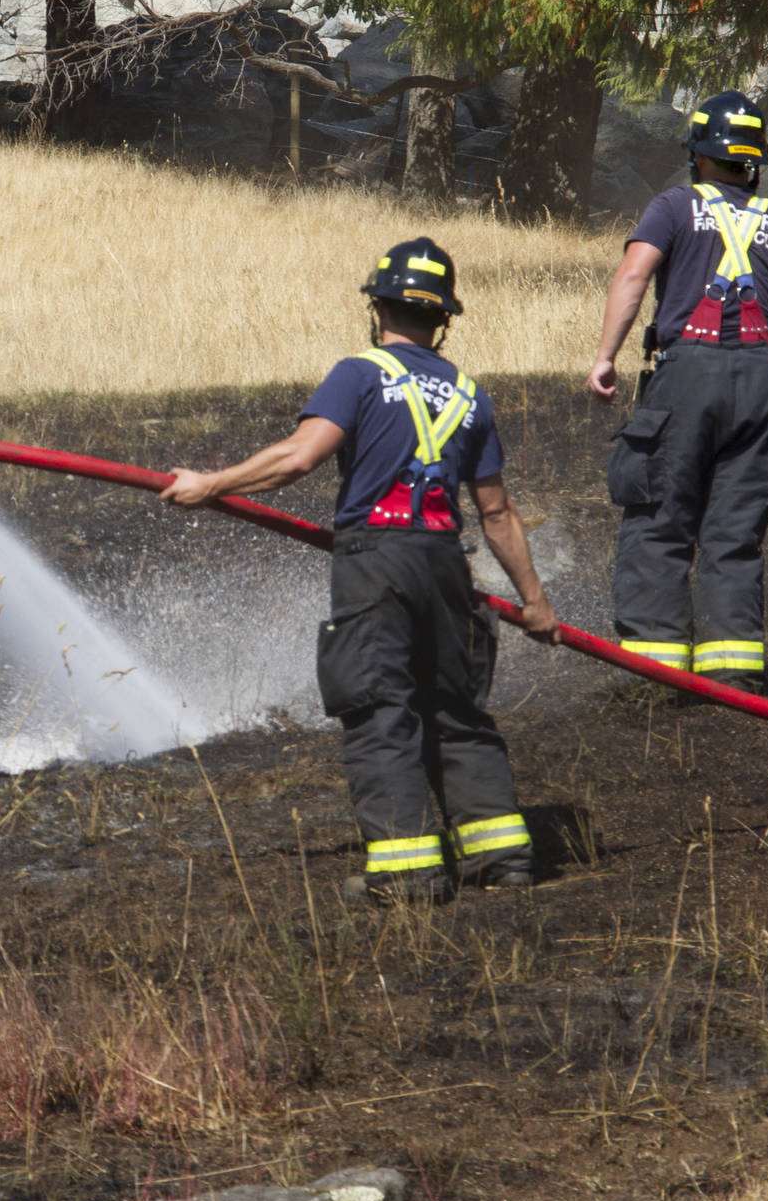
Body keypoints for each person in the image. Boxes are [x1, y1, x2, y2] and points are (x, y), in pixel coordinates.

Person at [162, 239, 558, 904]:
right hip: (445, 567)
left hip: (376, 562)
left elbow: (298, 457)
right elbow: (496, 513)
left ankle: (407, 873)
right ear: (444, 320)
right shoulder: (470, 396)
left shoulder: (360, 372)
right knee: (455, 708)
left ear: (377, 306)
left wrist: (212, 484)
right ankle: (504, 858)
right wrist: (536, 601)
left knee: (381, 710)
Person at [586, 90, 768, 690]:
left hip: (685, 377)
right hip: (761, 384)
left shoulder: (672, 207)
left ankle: (655, 674)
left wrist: (606, 357)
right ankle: (732, 678)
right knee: (734, 531)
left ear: (698, 155)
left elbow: (634, 275)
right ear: (755, 163)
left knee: (661, 518)